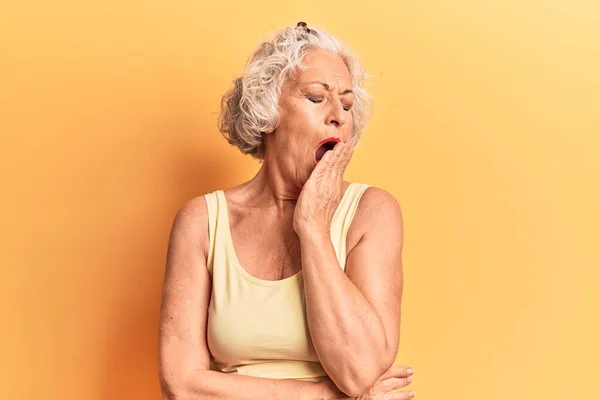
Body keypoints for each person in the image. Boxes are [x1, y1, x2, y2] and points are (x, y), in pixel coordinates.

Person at [158, 22, 414, 399]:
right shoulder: (201, 222)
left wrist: (313, 228)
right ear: (267, 111)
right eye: (316, 98)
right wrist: (332, 397)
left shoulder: (373, 213)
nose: (339, 116)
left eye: (346, 103)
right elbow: (181, 386)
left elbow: (361, 372)